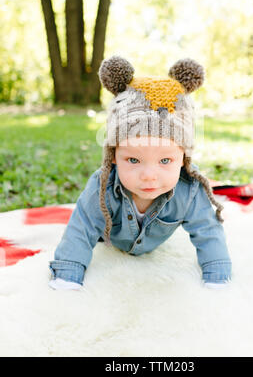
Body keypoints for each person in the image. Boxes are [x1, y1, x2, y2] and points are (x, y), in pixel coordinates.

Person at [49, 56, 232, 291]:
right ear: (113, 156)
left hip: (153, 244)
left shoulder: (190, 189)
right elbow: (81, 228)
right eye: (133, 159)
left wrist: (217, 277)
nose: (148, 175)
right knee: (87, 229)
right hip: (109, 239)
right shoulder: (102, 185)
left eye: (165, 160)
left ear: (183, 158)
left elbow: (208, 230)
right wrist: (67, 276)